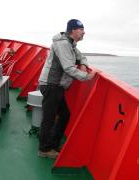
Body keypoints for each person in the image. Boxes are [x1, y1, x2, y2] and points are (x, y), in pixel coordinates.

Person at [38, 19, 96, 158]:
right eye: (81, 29)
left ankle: (53, 143)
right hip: (51, 85)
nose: (83, 32)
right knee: (49, 118)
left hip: (57, 86)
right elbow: (68, 68)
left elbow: (81, 57)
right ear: (73, 30)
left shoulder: (71, 44)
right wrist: (87, 76)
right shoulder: (63, 44)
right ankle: (44, 150)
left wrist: (82, 63)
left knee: (64, 115)